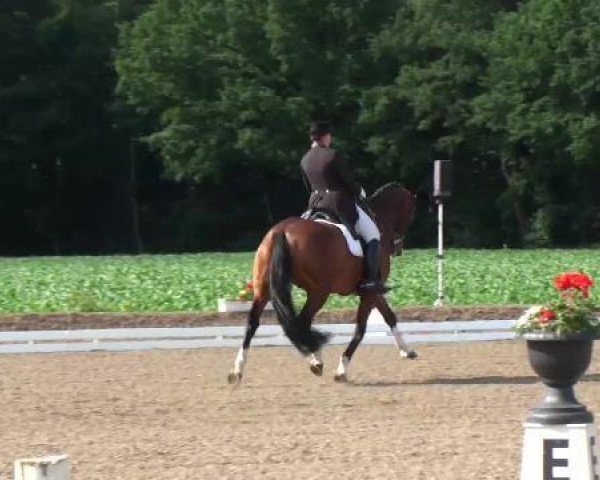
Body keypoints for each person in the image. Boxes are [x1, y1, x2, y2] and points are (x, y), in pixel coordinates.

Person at [300, 121, 388, 294]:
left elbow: (307, 186)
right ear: (325, 136)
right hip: (338, 204)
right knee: (373, 235)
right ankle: (370, 281)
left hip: (315, 204)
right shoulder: (333, 155)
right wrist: (359, 191)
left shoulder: (304, 159)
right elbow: (347, 181)